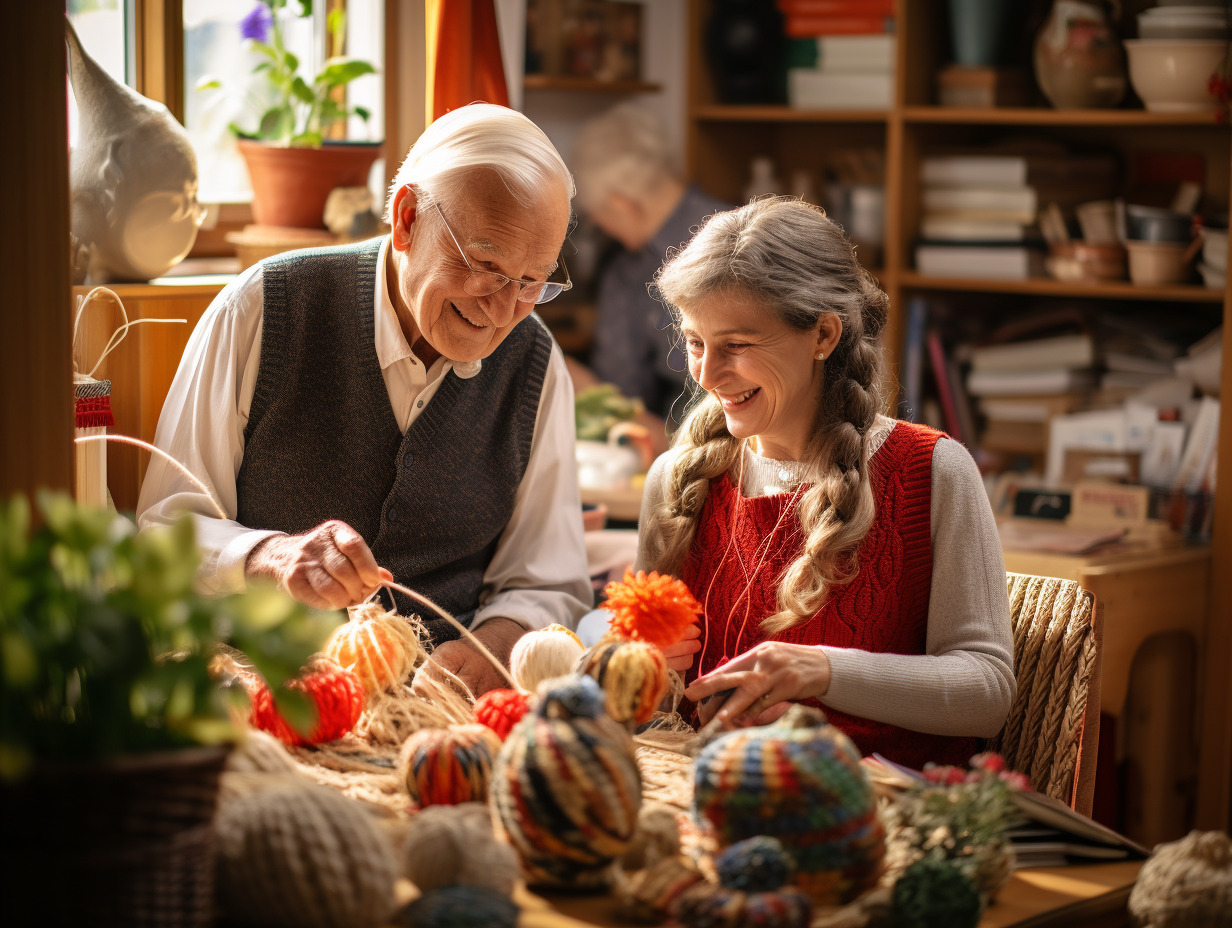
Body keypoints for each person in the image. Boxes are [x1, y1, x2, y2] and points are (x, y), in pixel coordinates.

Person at [138, 104, 592, 698]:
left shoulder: (535, 362)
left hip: (437, 714)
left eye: (532, 281)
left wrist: (495, 644)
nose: (502, 310)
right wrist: (270, 557)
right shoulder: (262, 309)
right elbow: (162, 533)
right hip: (261, 694)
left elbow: (548, 581)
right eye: (485, 265)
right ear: (407, 219)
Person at [635, 197, 1016, 770]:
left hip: (882, 821)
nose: (706, 375)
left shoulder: (933, 471)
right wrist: (636, 668)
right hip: (713, 802)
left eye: (736, 345)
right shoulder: (677, 479)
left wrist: (821, 672)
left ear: (824, 335)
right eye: (695, 341)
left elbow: (986, 692)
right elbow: (653, 709)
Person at [569, 104, 731, 449]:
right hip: (676, 444)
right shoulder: (624, 272)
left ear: (621, 204)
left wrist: (587, 390)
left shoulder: (734, 243)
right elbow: (625, 393)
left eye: (598, 216)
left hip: (732, 438)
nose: (600, 227)